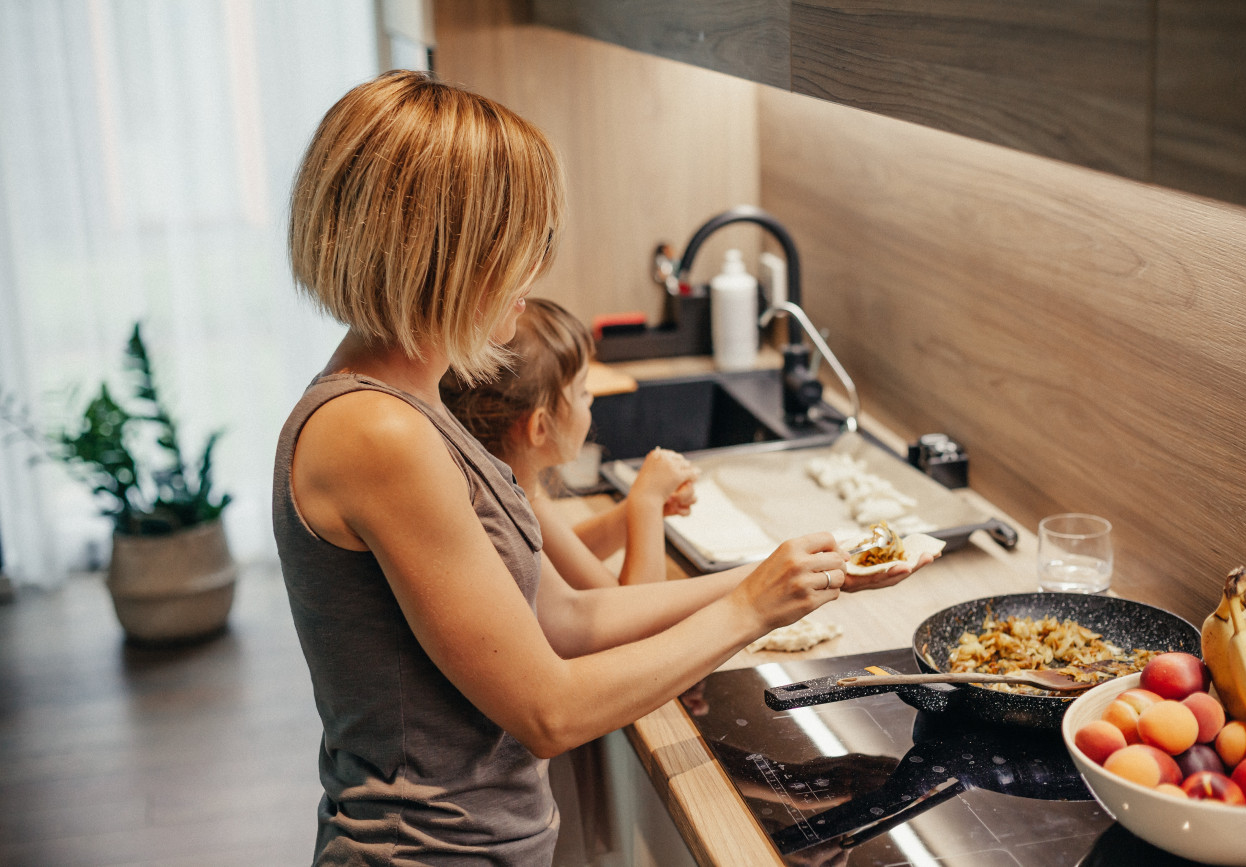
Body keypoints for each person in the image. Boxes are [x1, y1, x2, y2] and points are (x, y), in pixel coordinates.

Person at [274, 69, 928, 866]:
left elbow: (567, 620)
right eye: (518, 243)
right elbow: (547, 708)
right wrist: (748, 611)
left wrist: (780, 575)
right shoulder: (378, 431)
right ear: (445, 252)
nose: (535, 269)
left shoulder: (415, 401)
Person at [442, 297, 698, 589]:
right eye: (581, 391)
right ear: (539, 427)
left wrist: (628, 514)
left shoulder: (512, 489)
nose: (590, 399)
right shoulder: (511, 508)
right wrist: (647, 504)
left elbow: (566, 559)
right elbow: (637, 611)